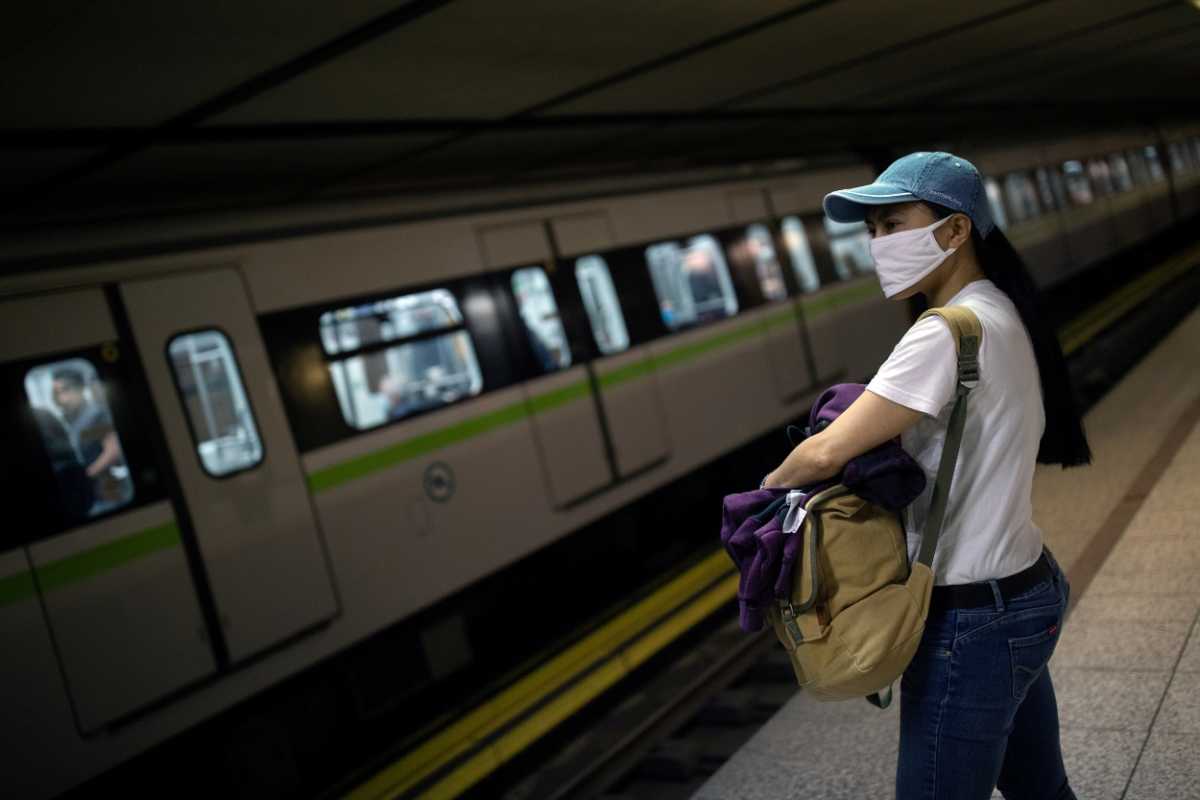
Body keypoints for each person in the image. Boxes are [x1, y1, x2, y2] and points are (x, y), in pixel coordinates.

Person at [761, 152, 1090, 800]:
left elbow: (823, 455)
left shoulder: (944, 334)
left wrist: (765, 495)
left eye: (893, 225)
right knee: (1042, 790)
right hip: (1024, 590)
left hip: (971, 618)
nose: (878, 245)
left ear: (956, 229)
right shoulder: (999, 307)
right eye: (872, 230)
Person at [51, 368, 126, 511]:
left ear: (80, 389)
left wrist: (86, 475)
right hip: (89, 493)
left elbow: (113, 451)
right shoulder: (69, 420)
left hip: (107, 488)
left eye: (65, 390)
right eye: (56, 393)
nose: (61, 399)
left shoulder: (96, 415)